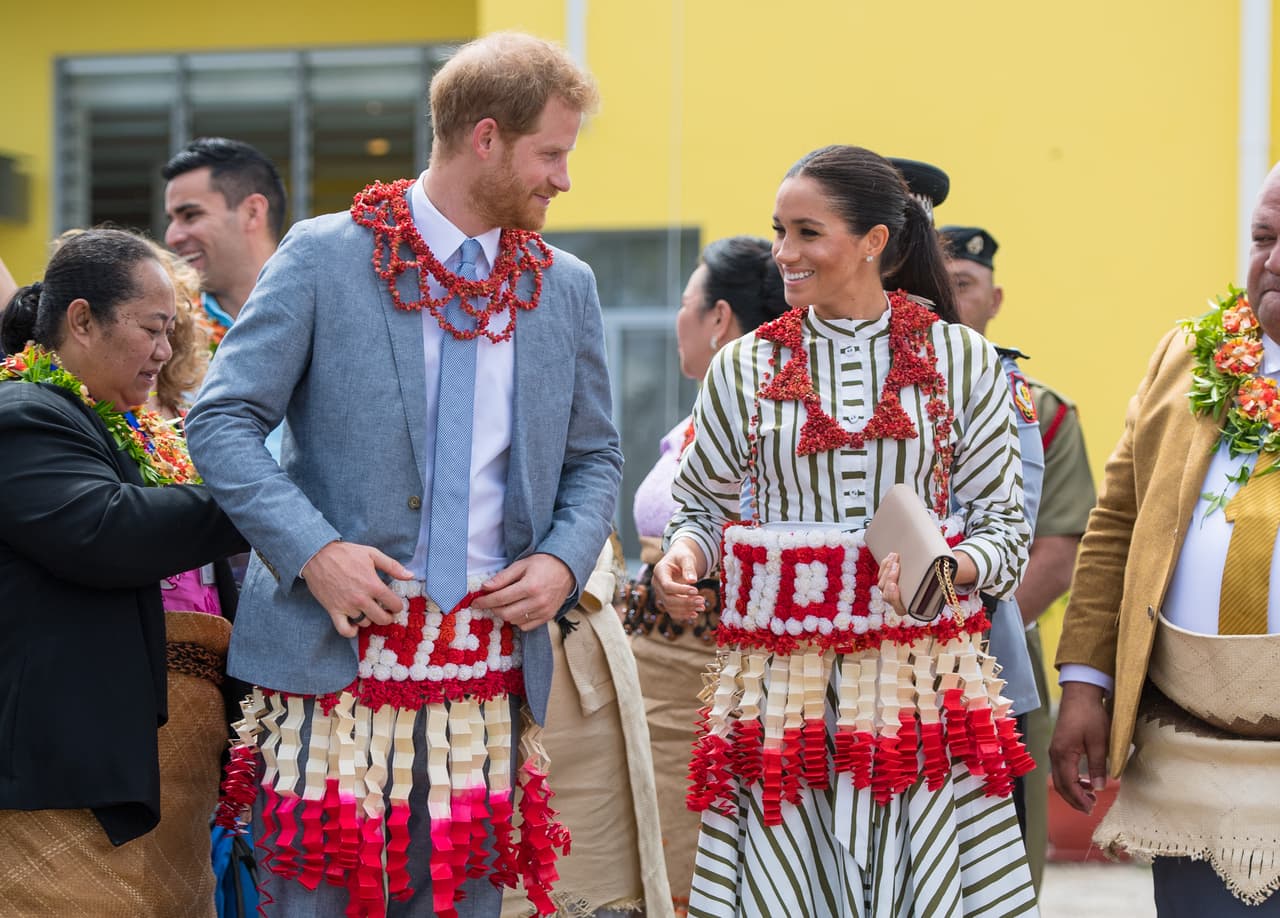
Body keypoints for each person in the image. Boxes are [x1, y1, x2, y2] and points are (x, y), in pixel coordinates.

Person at [186, 31, 622, 918]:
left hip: (487, 676)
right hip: (329, 666)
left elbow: (595, 456)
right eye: (552, 153)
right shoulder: (322, 254)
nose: (563, 180)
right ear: (487, 138)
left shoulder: (564, 283)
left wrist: (564, 562)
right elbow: (222, 419)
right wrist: (313, 551)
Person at [655, 144, 1037, 916]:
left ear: (873, 242)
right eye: (779, 231)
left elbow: (1005, 528)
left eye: (806, 232)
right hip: (781, 689)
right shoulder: (745, 366)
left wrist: (949, 571)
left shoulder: (960, 358)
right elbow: (698, 505)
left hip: (919, 682)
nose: (783, 254)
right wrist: (683, 556)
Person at [1051, 163, 1280, 914]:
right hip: (1194, 761)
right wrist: (1086, 681)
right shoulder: (1189, 356)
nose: (1271, 263)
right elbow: (1116, 523)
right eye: (1262, 238)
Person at [0, 228, 246, 915]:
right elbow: (105, 531)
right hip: (69, 779)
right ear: (81, 320)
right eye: (151, 328)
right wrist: (257, 495)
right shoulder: (22, 414)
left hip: (165, 776)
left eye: (171, 332)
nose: (165, 352)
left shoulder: (126, 426)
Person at [625, 235, 788, 915]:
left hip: (708, 678)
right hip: (658, 680)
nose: (678, 320)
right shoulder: (705, 417)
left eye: (687, 303)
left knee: (697, 867)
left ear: (719, 318)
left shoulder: (766, 417)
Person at [941, 224, 1095, 891]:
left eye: (966, 286)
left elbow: (1056, 555)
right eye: (937, 285)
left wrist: (965, 631)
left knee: (1000, 860)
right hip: (882, 660)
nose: (951, 299)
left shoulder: (1041, 413)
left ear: (995, 299)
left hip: (998, 657)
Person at [163, 137, 287, 336]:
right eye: (172, 219)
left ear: (252, 212)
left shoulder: (325, 311)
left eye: (191, 215)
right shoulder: (169, 332)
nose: (172, 237)